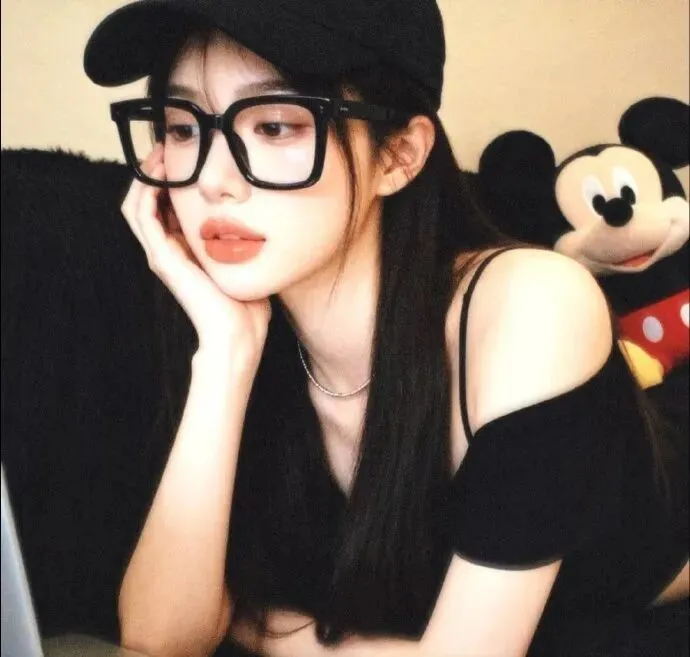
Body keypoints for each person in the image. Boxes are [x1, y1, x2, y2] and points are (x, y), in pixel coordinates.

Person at [83, 1, 689, 656]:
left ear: (398, 155)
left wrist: (275, 632)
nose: (210, 178)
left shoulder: (532, 304)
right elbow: (159, 639)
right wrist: (225, 356)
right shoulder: (234, 324)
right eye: (182, 127)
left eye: (277, 125)